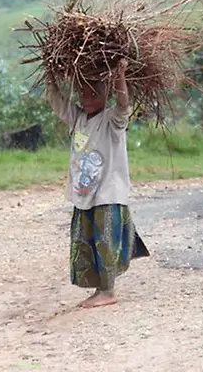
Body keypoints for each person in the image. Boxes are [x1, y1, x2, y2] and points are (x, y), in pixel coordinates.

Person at [45, 59, 149, 308]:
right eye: (83, 94)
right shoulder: (79, 118)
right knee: (87, 240)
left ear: (106, 94)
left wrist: (120, 76)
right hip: (84, 194)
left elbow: (124, 105)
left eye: (95, 94)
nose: (88, 99)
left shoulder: (112, 121)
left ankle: (108, 291)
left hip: (108, 193)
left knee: (106, 241)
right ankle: (99, 288)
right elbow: (56, 101)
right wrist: (50, 76)